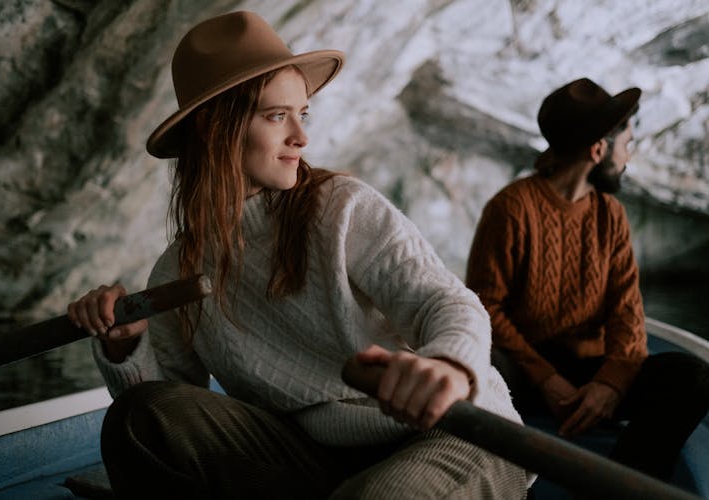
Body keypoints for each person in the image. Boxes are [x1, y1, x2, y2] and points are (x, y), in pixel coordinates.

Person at [67, 11, 528, 499]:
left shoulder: (343, 206)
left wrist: (448, 367)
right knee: (141, 417)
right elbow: (173, 401)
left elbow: (449, 304)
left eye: (301, 114)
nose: (301, 137)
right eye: (276, 115)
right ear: (212, 127)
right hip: (320, 456)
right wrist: (123, 346)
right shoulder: (178, 269)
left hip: (451, 431)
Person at [465, 77, 709, 481]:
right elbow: (483, 306)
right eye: (627, 145)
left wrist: (610, 385)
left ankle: (612, 489)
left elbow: (627, 316)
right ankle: (503, 481)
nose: (628, 158)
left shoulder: (610, 215)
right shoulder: (511, 208)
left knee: (692, 378)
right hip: (526, 372)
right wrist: (547, 379)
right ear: (599, 149)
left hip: (591, 370)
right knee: (483, 363)